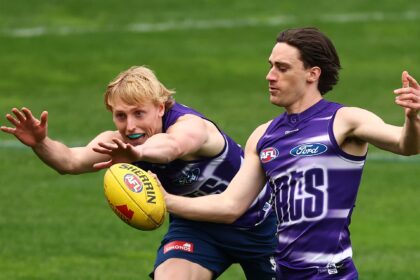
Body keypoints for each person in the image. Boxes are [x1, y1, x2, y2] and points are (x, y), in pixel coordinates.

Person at [160, 27, 420, 279]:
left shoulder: (344, 120)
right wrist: (165, 200)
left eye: (282, 68)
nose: (270, 76)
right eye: (271, 65)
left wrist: (414, 119)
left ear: (312, 74)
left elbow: (405, 145)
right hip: (282, 273)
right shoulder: (263, 136)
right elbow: (230, 206)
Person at [0, 66, 277, 280]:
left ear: (160, 107)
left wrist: (139, 154)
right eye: (121, 115)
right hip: (197, 227)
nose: (130, 125)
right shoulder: (121, 142)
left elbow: (171, 146)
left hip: (261, 225)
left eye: (138, 113)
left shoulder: (192, 127)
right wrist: (40, 143)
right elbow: (70, 161)